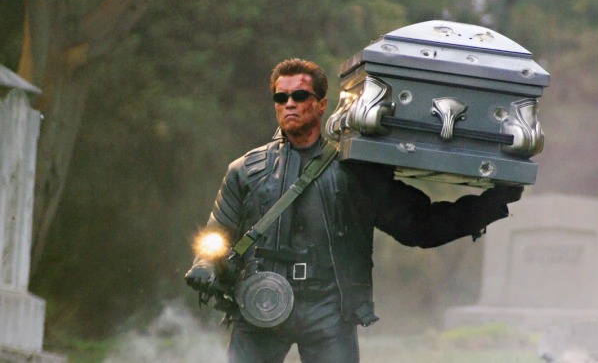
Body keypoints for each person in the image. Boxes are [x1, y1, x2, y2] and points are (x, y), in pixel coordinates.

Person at [185, 58, 523, 363]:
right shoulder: (245, 170)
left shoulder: (356, 171)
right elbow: (218, 231)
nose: (289, 103)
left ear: (321, 104)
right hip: (261, 300)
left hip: (329, 308)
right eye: (280, 97)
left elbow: (420, 226)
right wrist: (204, 264)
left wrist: (493, 203)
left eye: (299, 96)